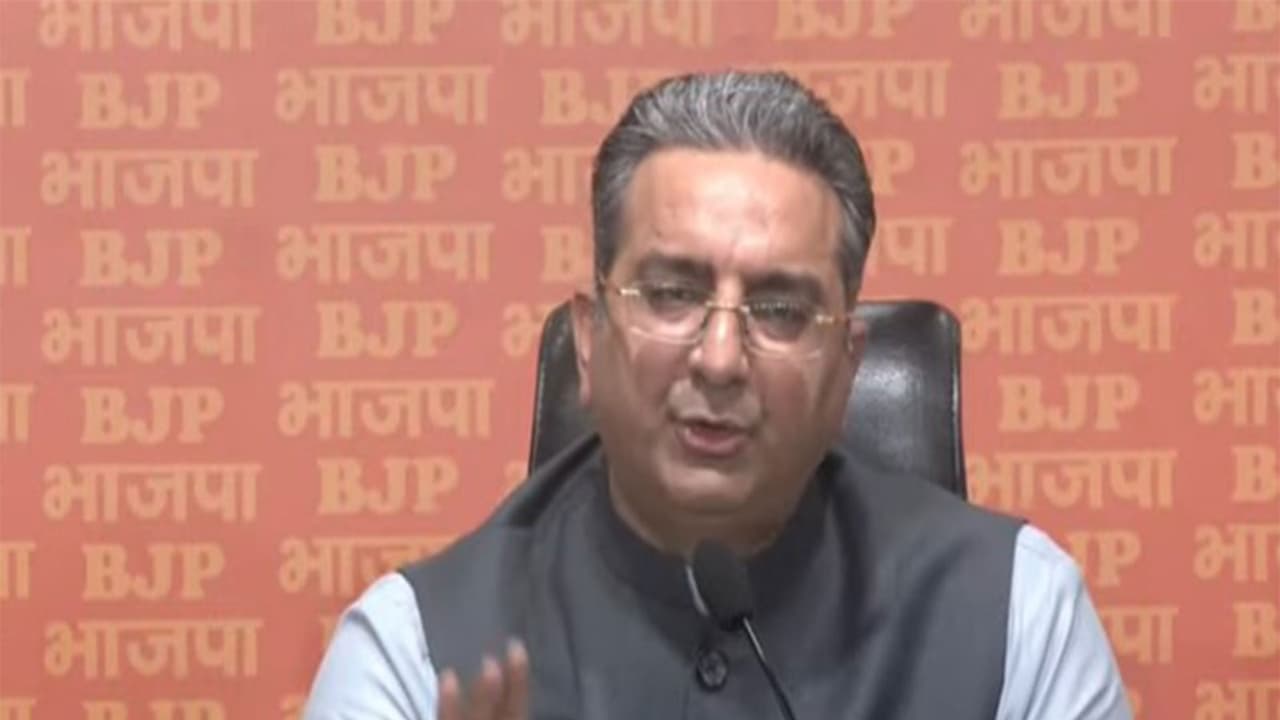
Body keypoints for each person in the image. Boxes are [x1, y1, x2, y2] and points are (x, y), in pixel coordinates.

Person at [302, 70, 1132, 720]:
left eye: (780, 309)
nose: (722, 359)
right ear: (589, 339)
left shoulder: (1016, 614)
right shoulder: (415, 653)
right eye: (671, 294)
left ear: (847, 365)